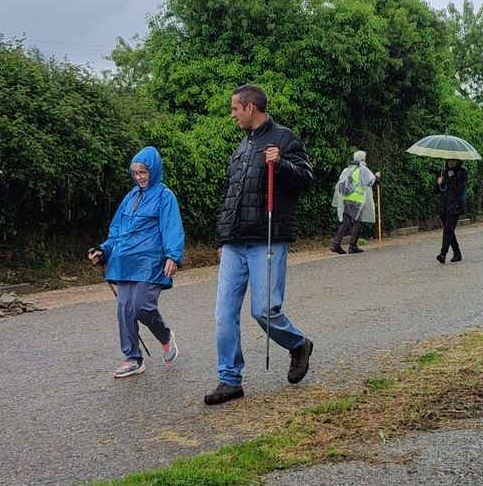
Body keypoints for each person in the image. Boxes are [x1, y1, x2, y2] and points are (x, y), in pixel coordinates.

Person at [205, 85, 315, 406]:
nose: (232, 114)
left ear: (251, 107)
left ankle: (298, 345)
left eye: (235, 108)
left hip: (267, 238)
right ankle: (229, 379)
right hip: (234, 244)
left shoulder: (285, 139)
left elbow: (306, 180)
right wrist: (221, 239)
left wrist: (281, 164)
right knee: (224, 315)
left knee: (264, 310)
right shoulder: (241, 148)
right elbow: (230, 197)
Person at [89, 147, 183, 378]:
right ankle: (133, 357)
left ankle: (165, 337)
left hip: (150, 263)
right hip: (124, 262)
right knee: (124, 310)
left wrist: (173, 255)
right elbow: (117, 232)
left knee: (141, 305)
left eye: (144, 172)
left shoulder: (164, 196)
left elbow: (172, 226)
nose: (139, 176)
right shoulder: (130, 197)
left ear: (154, 170)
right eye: (136, 172)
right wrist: (103, 250)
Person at [330, 150, 379, 254]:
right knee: (357, 223)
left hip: (346, 199)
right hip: (357, 200)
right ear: (362, 159)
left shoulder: (347, 169)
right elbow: (371, 181)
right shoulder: (362, 169)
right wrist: (377, 177)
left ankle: (336, 244)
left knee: (346, 222)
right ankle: (352, 246)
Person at [435, 158, 469, 263]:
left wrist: (452, 177)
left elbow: (458, 189)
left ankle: (443, 253)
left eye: (453, 160)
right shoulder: (443, 172)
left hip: (455, 206)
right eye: (449, 160)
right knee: (449, 230)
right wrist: (438, 183)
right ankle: (457, 253)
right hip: (444, 206)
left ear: (457, 161)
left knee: (448, 229)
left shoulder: (461, 172)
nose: (451, 162)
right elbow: (436, 191)